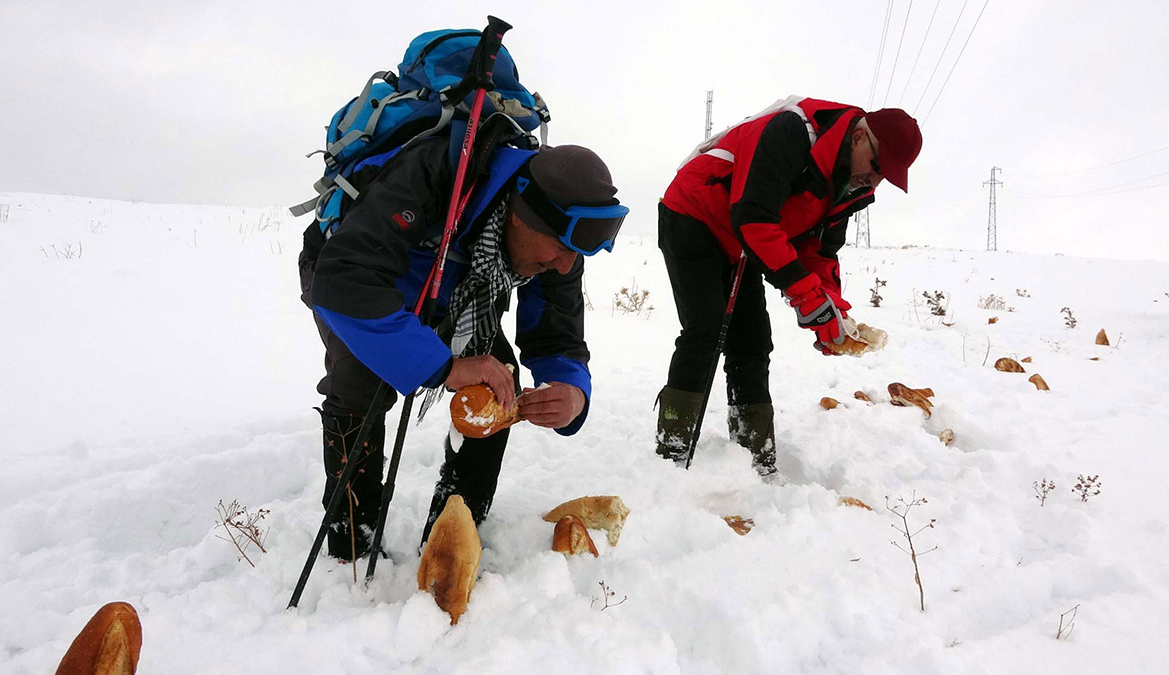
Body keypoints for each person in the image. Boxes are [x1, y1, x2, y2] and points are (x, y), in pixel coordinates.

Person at [298, 134, 627, 561]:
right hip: (355, 273)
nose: (566, 265)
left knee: (498, 379)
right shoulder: (433, 173)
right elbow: (345, 283)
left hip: (455, 286)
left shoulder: (563, 235)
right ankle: (351, 543)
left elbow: (556, 331)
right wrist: (445, 367)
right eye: (560, 251)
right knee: (361, 382)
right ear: (518, 216)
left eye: (575, 255)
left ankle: (456, 530)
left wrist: (571, 388)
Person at [655, 97, 922, 476]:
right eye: (877, 167)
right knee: (706, 330)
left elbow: (818, 251)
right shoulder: (792, 132)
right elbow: (755, 219)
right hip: (694, 214)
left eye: (886, 177)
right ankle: (672, 451)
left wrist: (833, 311)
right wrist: (808, 299)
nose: (874, 181)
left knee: (753, 342)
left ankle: (754, 455)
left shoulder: (850, 187)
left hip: (744, 240)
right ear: (860, 136)